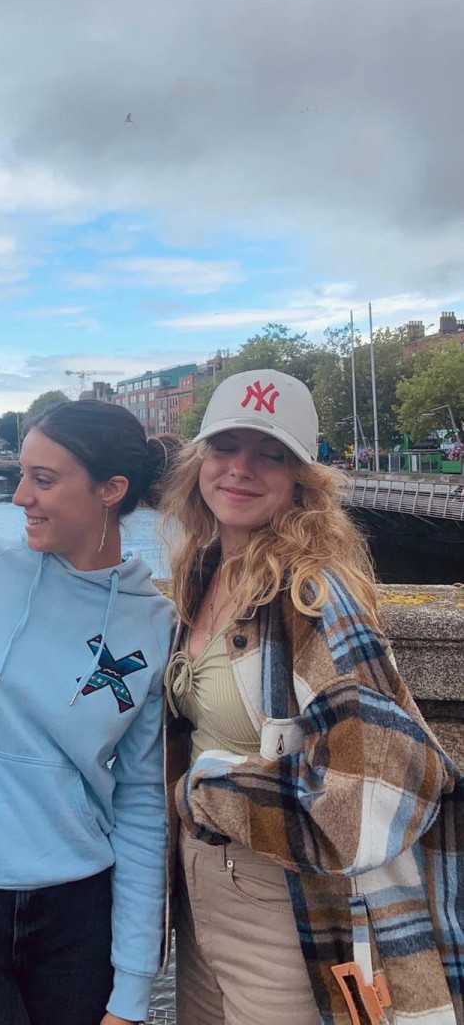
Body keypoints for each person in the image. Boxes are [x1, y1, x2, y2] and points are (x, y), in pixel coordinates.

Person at [161, 368, 462, 1025]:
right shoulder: (204, 571)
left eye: (270, 454)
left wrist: (204, 791)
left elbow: (376, 789)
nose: (240, 468)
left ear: (303, 479)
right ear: (198, 462)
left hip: (279, 900)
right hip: (197, 884)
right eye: (224, 447)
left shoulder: (313, 598)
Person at [0, 399, 179, 1025]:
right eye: (22, 474)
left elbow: (142, 803)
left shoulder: (155, 625)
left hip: (77, 915)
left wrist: (133, 987)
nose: (19, 495)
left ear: (111, 490)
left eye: (43, 480)